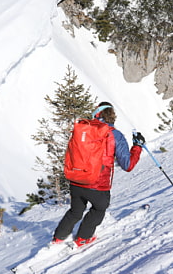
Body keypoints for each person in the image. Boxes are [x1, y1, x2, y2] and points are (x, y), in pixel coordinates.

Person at [52, 101, 144, 247]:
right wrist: (137, 147)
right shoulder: (116, 135)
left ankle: (58, 238)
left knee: (76, 211)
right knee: (98, 209)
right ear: (112, 116)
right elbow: (127, 165)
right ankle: (83, 238)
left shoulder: (83, 129)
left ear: (97, 114)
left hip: (76, 180)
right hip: (98, 184)